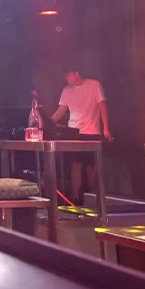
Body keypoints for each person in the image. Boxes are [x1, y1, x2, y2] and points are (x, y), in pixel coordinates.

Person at [52, 67, 112, 203]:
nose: (66, 78)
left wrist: (106, 128)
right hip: (74, 132)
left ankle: (92, 197)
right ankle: (75, 198)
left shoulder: (94, 85)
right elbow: (61, 111)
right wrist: (48, 121)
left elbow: (102, 106)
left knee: (91, 167)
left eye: (68, 75)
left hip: (91, 132)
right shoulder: (66, 90)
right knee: (75, 165)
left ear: (76, 73)